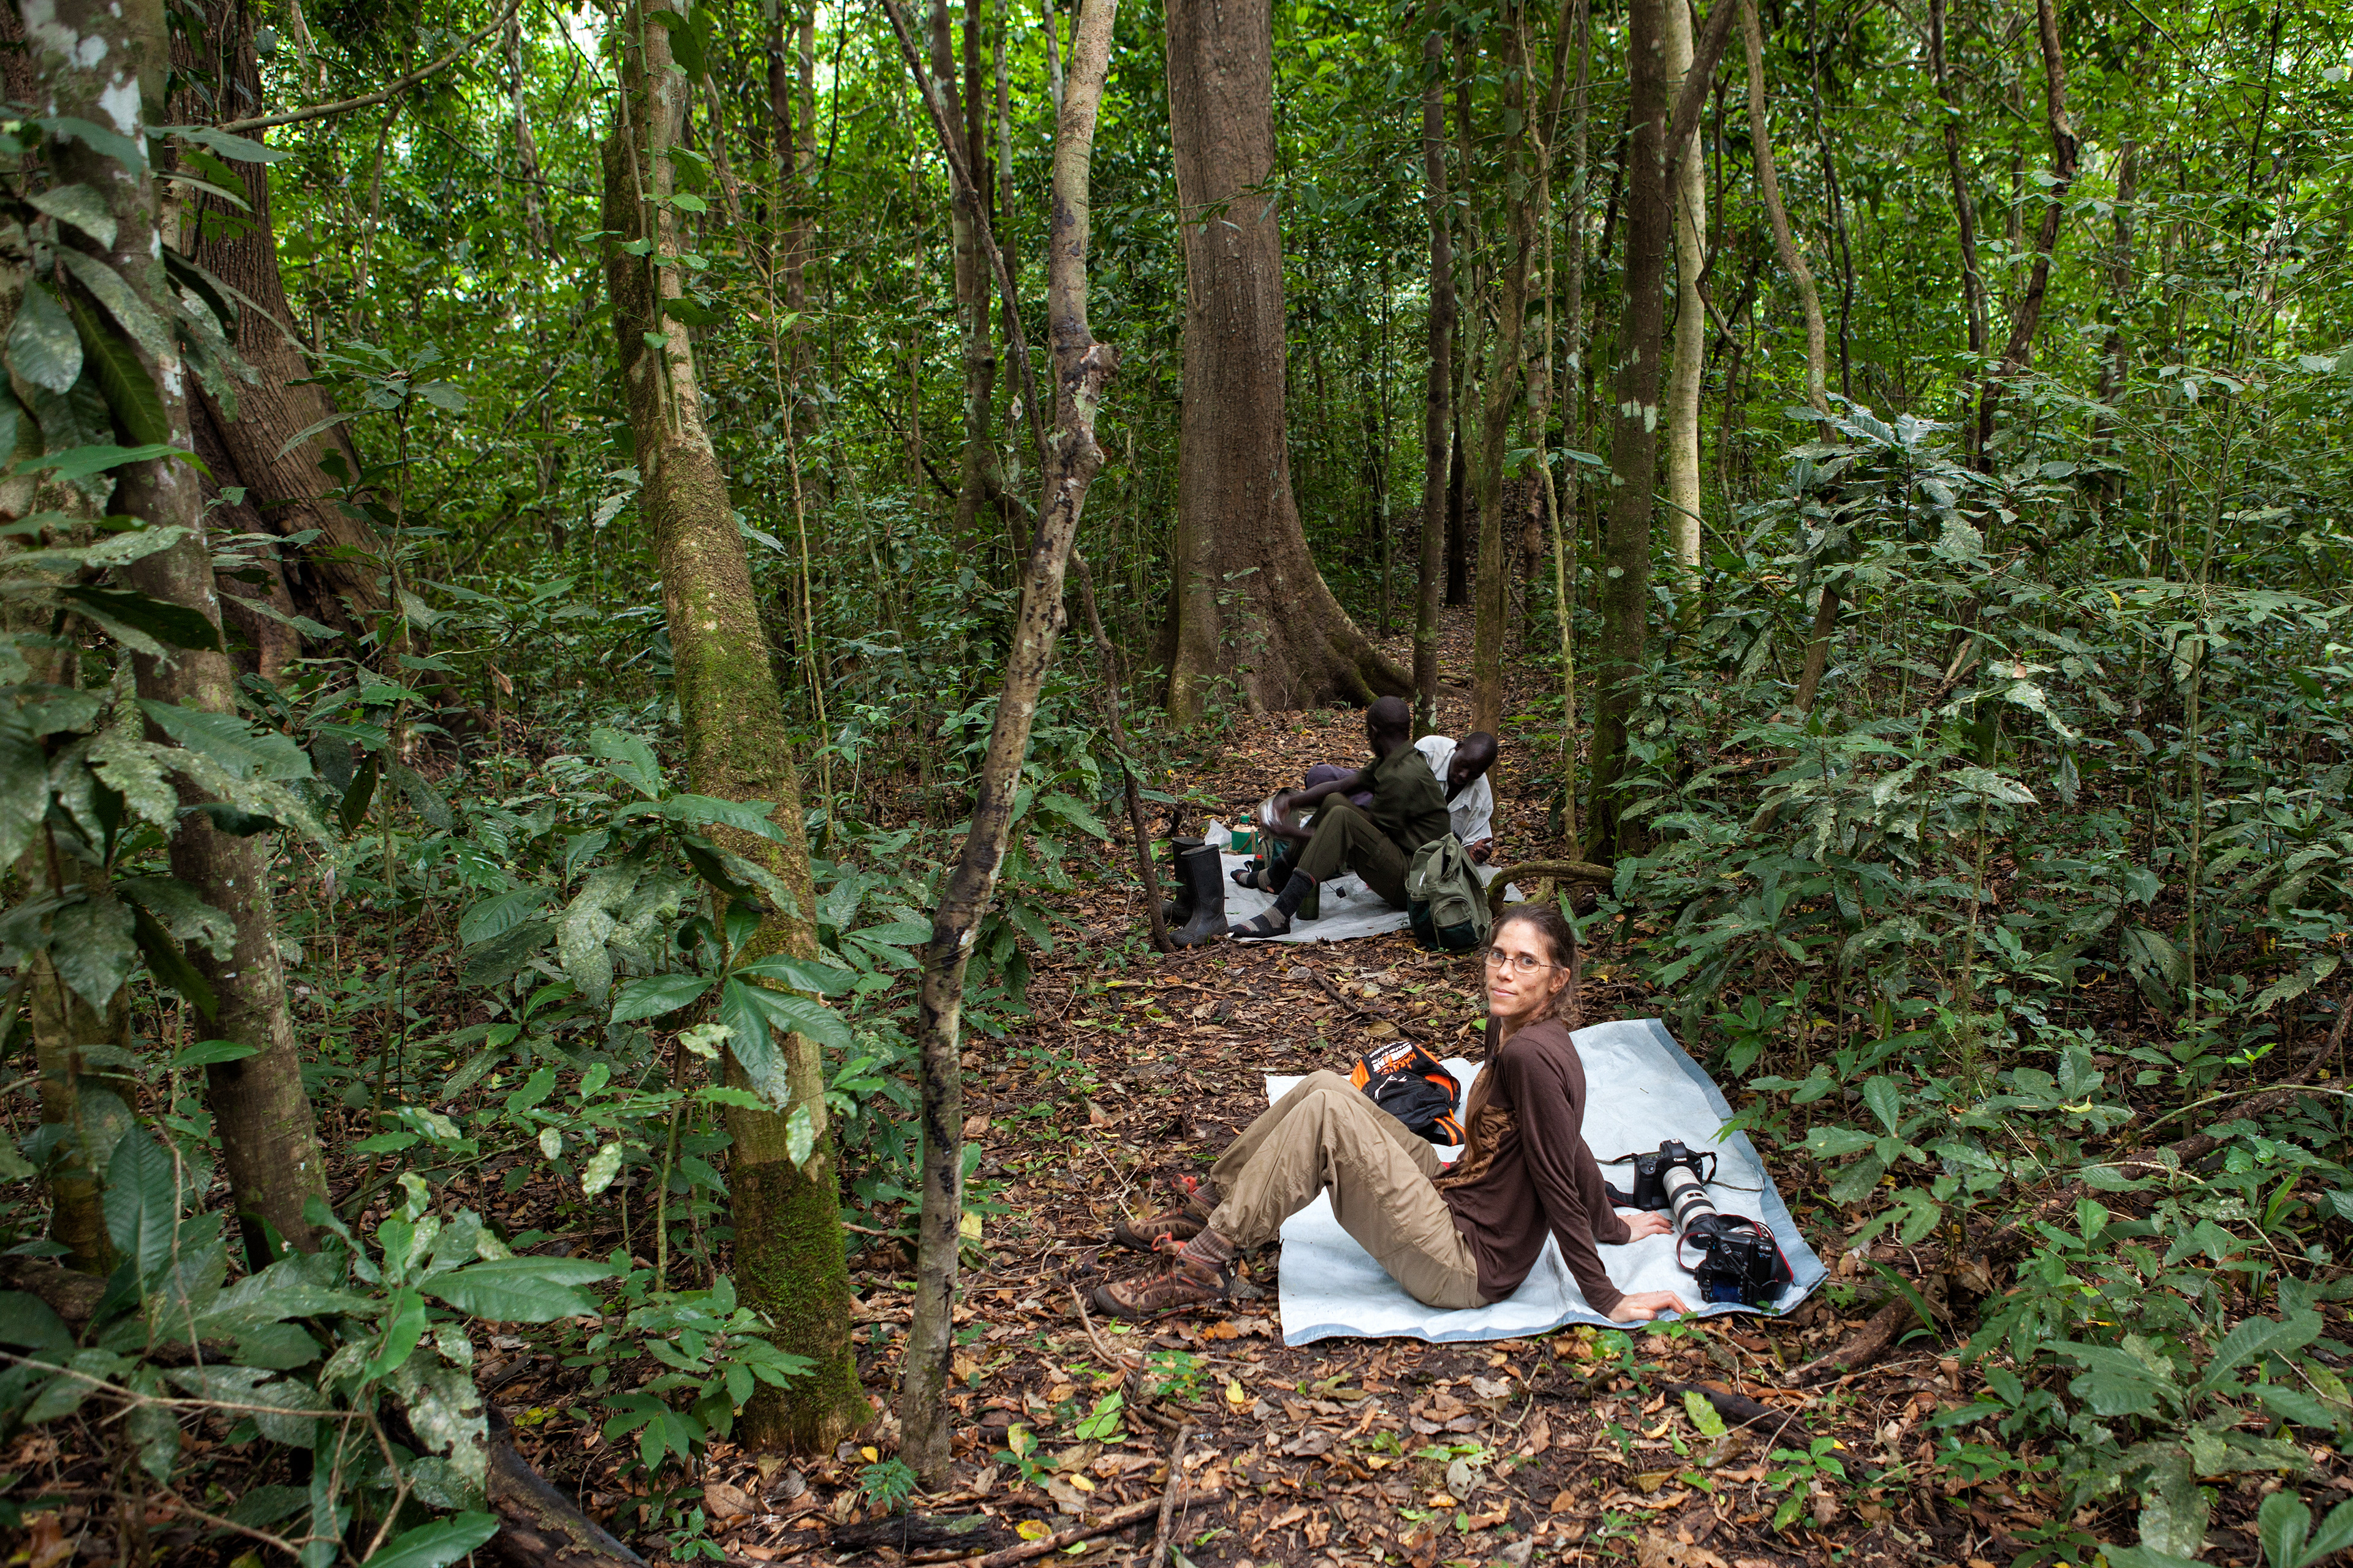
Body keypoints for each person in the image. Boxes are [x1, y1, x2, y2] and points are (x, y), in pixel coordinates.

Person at [1092, 903, 1691, 1324]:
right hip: (1453, 1188)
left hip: (1464, 1261)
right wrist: (1614, 1224)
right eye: (1499, 955)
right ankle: (1209, 1207)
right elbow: (1571, 1141)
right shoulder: (1510, 1026)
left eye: (1526, 962)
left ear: (1558, 980)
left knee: (1327, 1116)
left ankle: (1204, 1265)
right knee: (1325, 1086)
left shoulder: (1532, 1056)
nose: (1505, 971)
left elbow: (1558, 1168)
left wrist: (1605, 1295)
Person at [1227, 695, 1449, 939]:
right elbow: (1342, 786)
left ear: (1374, 731)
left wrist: (1291, 832)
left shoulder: (1403, 776)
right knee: (1335, 802)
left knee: (1342, 818)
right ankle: (1277, 875)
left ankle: (1280, 914)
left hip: (1414, 884)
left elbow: (1353, 834)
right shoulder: (1397, 760)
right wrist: (1291, 801)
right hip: (1405, 862)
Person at [1416, 730, 1498, 862]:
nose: (1464, 775)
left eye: (1474, 774)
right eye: (1464, 765)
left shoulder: (1481, 796)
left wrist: (1473, 851)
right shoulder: (1429, 752)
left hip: (1442, 859)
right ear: (1458, 747)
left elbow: (1471, 843)